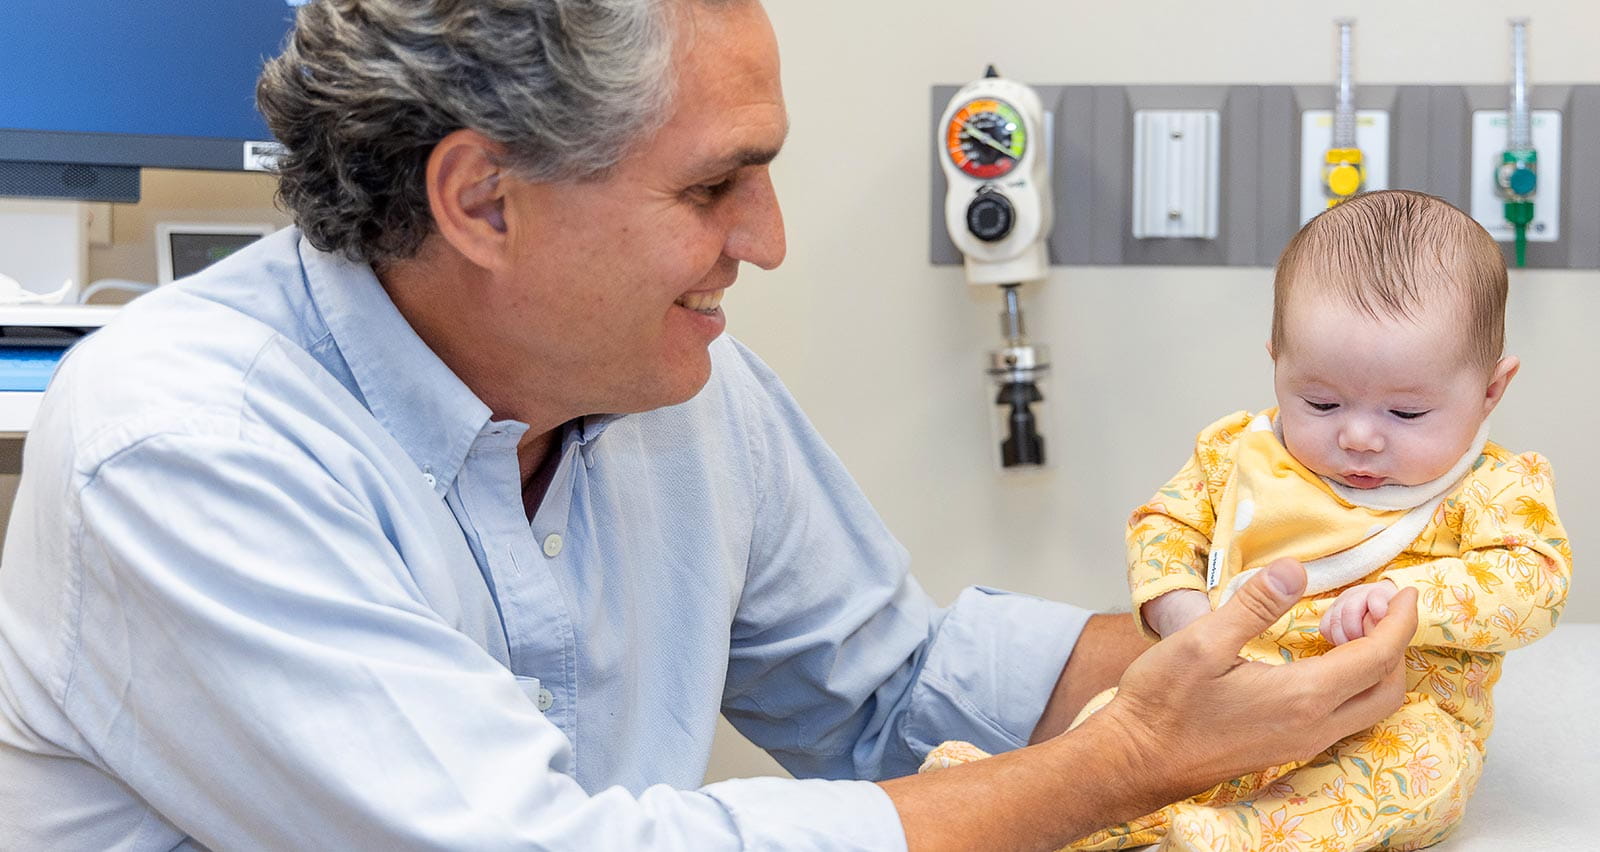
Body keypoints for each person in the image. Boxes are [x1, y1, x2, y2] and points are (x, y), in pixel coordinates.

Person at [0, 2, 1419, 849]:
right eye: (711, 188)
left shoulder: (670, 386)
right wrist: (1124, 764)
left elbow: (890, 690)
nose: (769, 239)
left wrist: (1267, 634)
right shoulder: (190, 450)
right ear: (481, 200)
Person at [924, 190, 1571, 851]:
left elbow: (1535, 583)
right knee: (1124, 731)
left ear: (1490, 389)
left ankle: (1245, 836)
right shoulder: (1238, 452)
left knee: (1420, 762)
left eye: (1405, 414)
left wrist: (1401, 600)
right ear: (1277, 363)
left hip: (1391, 714)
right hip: (1225, 700)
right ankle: (1014, 809)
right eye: (1321, 402)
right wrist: (1179, 609)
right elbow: (1163, 525)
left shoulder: (1494, 486)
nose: (1358, 437)